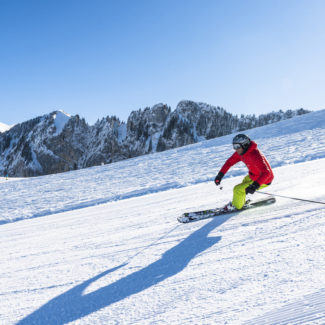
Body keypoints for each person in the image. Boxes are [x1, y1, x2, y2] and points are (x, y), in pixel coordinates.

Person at [214, 134, 274, 211]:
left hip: (264, 179)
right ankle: (240, 201)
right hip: (253, 176)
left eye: (237, 147)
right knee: (244, 182)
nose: (236, 149)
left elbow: (267, 173)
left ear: (245, 145)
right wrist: (220, 175)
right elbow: (229, 162)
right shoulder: (241, 152)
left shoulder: (255, 155)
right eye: (234, 147)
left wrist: (255, 186)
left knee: (237, 189)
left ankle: (236, 206)